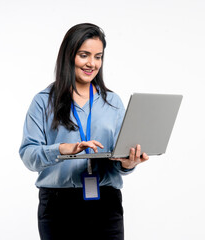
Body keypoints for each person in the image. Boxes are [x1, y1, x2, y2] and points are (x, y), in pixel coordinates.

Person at [19, 23, 149, 240]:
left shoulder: (113, 102)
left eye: (98, 56)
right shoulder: (43, 102)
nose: (92, 63)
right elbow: (28, 156)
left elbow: (121, 157)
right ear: (69, 56)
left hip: (106, 203)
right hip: (58, 206)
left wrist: (128, 163)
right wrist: (63, 149)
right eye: (84, 55)